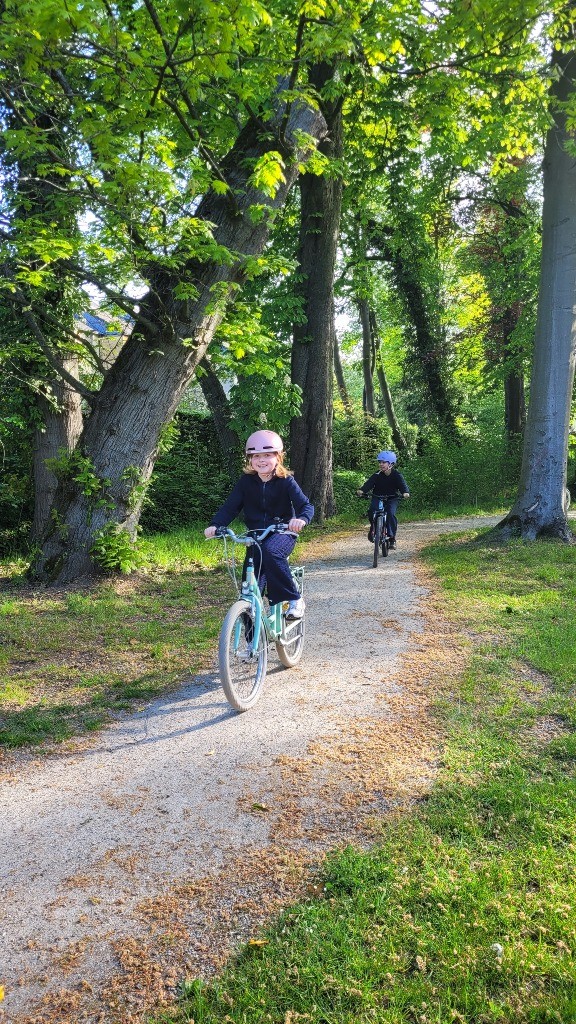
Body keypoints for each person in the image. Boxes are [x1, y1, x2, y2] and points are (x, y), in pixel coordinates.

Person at [204, 430, 313, 619]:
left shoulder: (286, 481)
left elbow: (306, 506)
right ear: (250, 459)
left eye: (267, 455)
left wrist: (301, 519)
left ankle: (294, 598)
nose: (261, 460)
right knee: (249, 588)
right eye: (256, 456)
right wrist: (216, 525)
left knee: (271, 552)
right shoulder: (246, 482)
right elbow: (230, 508)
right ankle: (250, 631)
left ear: (278, 457)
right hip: (256, 535)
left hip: (283, 532)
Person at [356, 450, 410, 548]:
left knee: (390, 514)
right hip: (378, 497)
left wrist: (405, 493)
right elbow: (368, 484)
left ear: (391, 464)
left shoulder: (397, 475)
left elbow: (403, 486)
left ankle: (392, 538)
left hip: (392, 498)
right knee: (372, 511)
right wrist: (362, 490)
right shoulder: (377, 475)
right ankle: (373, 528)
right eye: (380, 462)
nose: (381, 464)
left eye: (383, 462)